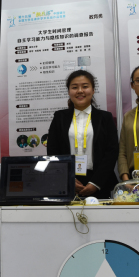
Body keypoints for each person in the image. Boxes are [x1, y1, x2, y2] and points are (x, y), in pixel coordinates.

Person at [47, 70, 119, 198]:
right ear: (69, 91)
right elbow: (53, 151)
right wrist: (67, 178)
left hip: (99, 182)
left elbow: (111, 152)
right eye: (75, 87)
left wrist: (96, 183)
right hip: (67, 182)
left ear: (93, 90)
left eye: (85, 86)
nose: (80, 91)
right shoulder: (59, 117)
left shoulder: (105, 118)